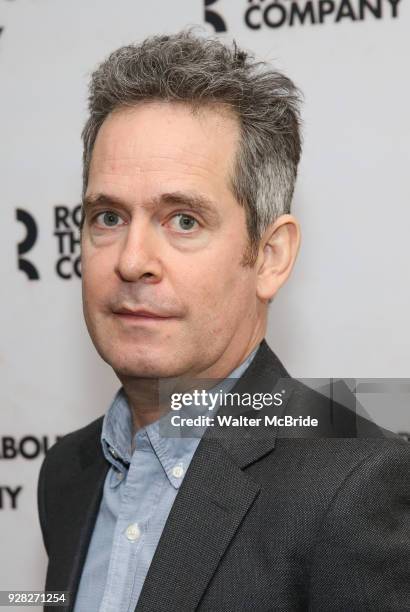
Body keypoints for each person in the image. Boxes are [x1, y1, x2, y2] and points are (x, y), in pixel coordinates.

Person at [38, 31, 409, 611]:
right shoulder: (67, 471)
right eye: (108, 216)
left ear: (270, 256)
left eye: (183, 221)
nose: (132, 260)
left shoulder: (354, 485)